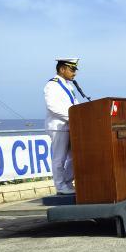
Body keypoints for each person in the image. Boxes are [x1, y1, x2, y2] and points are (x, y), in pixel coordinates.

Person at [44, 57, 79, 195]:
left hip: (72, 126)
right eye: (72, 69)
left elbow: (75, 106)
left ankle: (67, 182)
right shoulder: (51, 85)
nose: (74, 73)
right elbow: (52, 107)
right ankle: (60, 186)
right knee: (59, 158)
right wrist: (72, 117)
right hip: (58, 126)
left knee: (75, 157)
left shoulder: (69, 86)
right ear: (62, 69)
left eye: (75, 70)